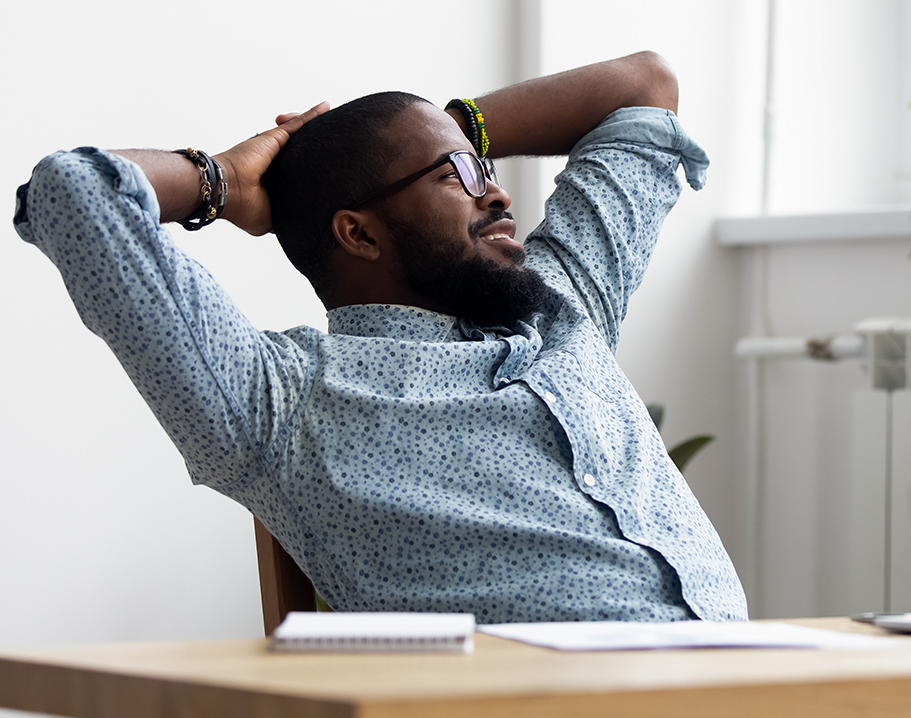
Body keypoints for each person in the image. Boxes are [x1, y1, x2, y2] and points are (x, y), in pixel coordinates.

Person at [15, 51, 747, 623]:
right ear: (357, 232)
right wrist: (226, 180)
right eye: (457, 173)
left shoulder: (559, 303)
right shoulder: (279, 400)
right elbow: (70, 191)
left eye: (482, 165)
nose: (495, 190)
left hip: (766, 684)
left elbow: (645, 87)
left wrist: (444, 124)